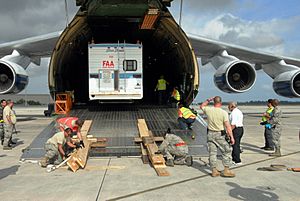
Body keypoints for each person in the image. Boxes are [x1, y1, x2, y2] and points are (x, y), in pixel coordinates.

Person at [200, 96, 235, 177]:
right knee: (227, 150)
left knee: (212, 153)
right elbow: (228, 126)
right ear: (221, 103)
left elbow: (202, 106)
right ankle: (226, 170)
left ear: (214, 102)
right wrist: (232, 137)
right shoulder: (223, 113)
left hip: (210, 134)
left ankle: (214, 170)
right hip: (219, 134)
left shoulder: (209, 110)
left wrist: (208, 100)